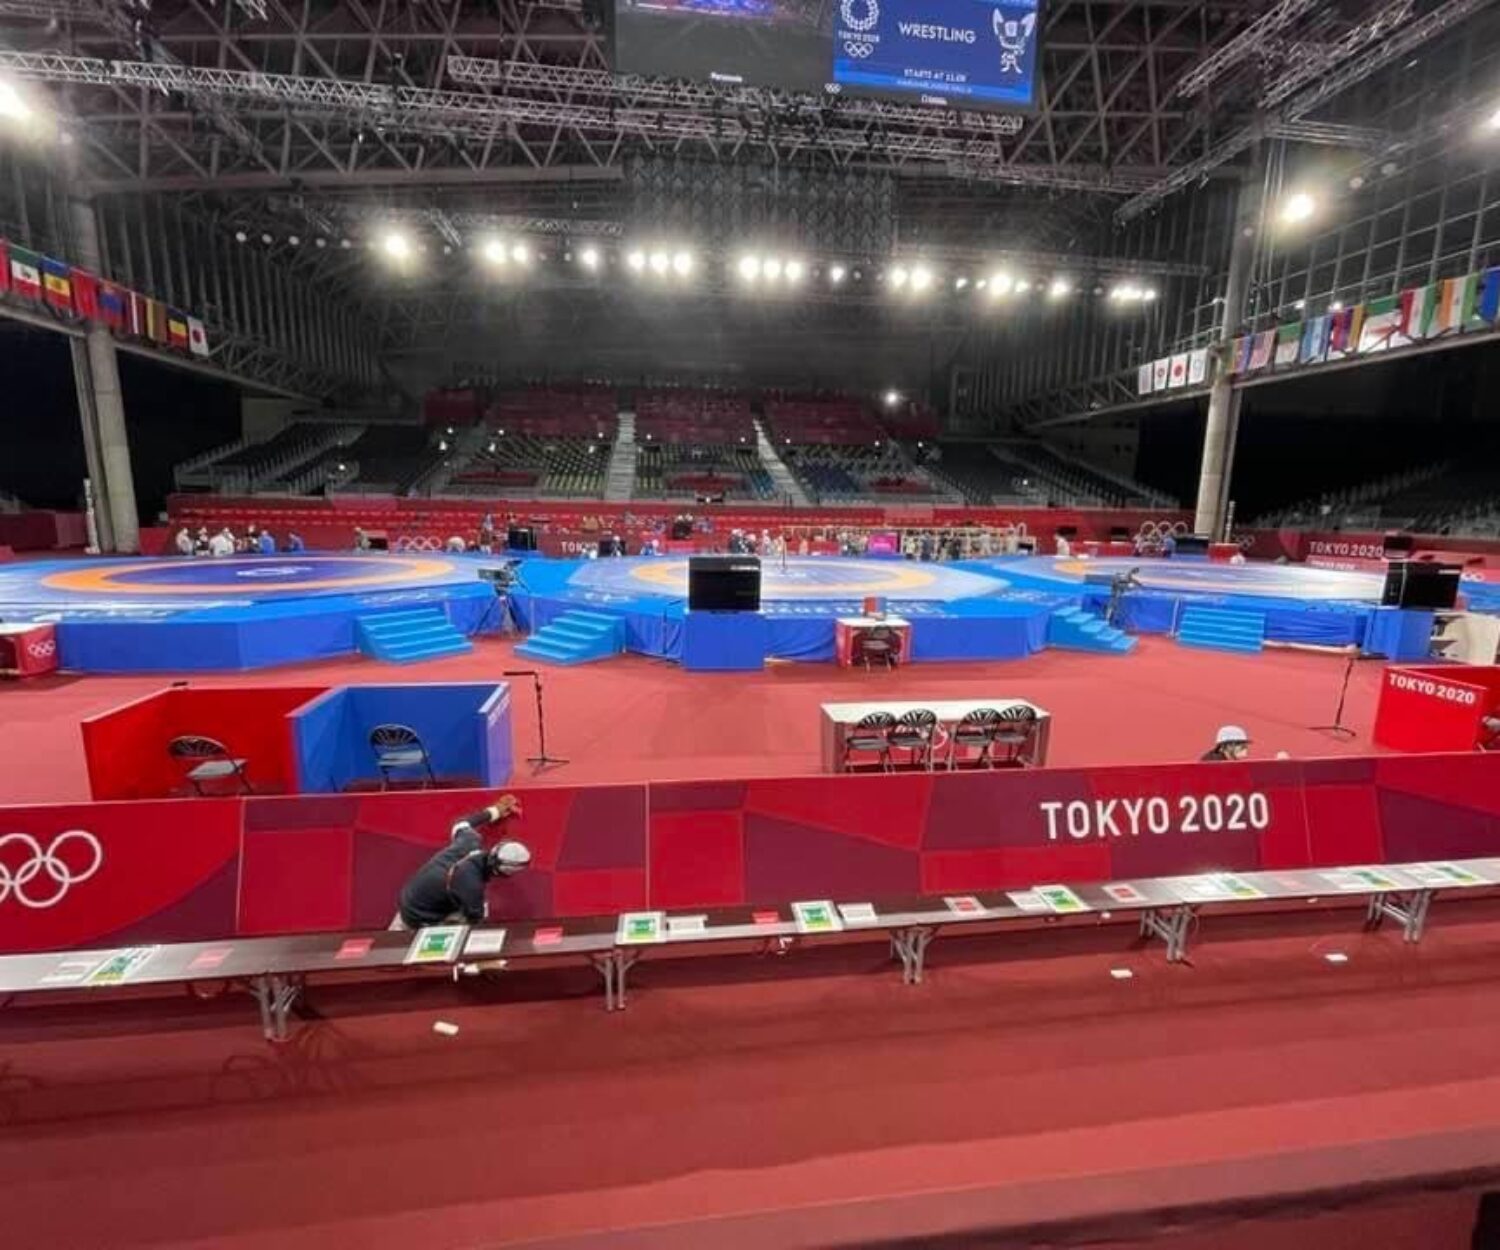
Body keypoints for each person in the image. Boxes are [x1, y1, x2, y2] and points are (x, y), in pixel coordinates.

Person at [393, 797, 531, 930]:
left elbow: (461, 824)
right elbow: (477, 921)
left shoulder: (470, 841)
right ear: (503, 872)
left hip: (409, 899)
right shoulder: (472, 886)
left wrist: (496, 811)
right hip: (419, 918)